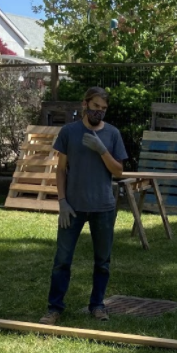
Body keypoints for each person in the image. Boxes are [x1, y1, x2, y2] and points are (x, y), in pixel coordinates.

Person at [39, 87, 129, 325]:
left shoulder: (112, 134)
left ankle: (97, 305)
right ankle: (54, 308)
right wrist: (62, 201)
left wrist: (101, 150)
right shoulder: (69, 132)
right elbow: (60, 170)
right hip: (74, 207)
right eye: (96, 106)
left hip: (103, 207)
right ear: (85, 104)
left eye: (104, 108)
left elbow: (118, 171)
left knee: (102, 261)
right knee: (62, 260)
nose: (99, 111)